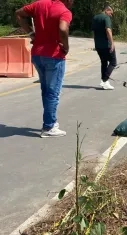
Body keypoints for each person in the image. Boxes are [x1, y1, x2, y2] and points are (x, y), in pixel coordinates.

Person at [15, 0, 73, 138]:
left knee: (46, 90)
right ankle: (49, 126)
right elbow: (63, 29)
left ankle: (50, 122)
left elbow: (18, 14)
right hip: (54, 56)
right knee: (53, 92)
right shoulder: (64, 11)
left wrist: (31, 34)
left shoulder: (39, 4)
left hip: (37, 54)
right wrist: (66, 46)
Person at [92, 5, 116, 90]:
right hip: (107, 45)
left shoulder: (95, 18)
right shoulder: (106, 18)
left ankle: (104, 81)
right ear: (106, 10)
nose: (111, 15)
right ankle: (105, 80)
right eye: (111, 13)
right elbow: (108, 30)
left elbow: (94, 32)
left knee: (104, 62)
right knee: (113, 62)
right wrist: (112, 43)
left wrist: (95, 44)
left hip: (98, 45)